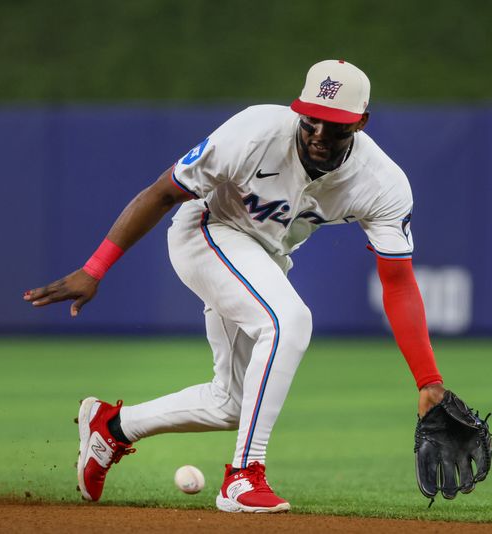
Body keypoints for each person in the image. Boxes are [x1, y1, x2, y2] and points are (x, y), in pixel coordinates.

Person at [24, 59, 446, 513]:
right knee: (289, 322)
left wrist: (429, 381)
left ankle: (111, 427)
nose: (320, 133)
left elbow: (398, 284)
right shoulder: (254, 131)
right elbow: (163, 192)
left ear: (361, 122)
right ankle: (244, 476)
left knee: (232, 403)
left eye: (337, 126)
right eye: (312, 121)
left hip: (263, 259)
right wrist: (95, 268)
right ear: (298, 111)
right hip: (206, 231)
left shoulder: (382, 183)